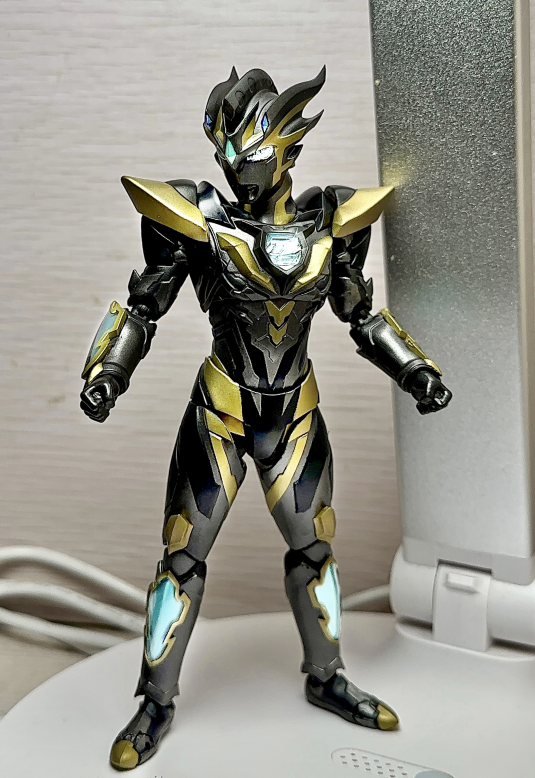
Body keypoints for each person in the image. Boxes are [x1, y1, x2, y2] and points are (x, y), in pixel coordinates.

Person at [80, 67, 452, 771]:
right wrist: (107, 373)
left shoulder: (331, 222)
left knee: (315, 551)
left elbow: (360, 314)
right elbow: (143, 306)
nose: (233, 168)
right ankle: (155, 702)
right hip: (220, 413)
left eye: (245, 153)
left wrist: (416, 371)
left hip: (295, 416)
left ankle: (327, 676)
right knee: (182, 558)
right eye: (224, 153)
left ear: (286, 148)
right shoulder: (197, 219)